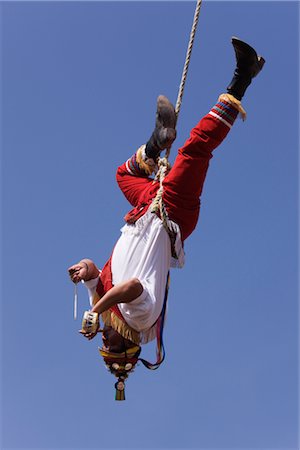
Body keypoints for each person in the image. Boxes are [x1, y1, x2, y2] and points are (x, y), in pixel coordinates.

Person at [68, 37, 265, 400]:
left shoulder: (108, 309)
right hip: (170, 212)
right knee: (196, 149)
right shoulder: (141, 321)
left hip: (144, 208)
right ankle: (244, 76)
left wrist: (82, 270)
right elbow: (132, 288)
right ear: (124, 344)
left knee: (123, 175)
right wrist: (98, 309)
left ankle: (157, 142)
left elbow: (96, 272)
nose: (104, 336)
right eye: (108, 342)